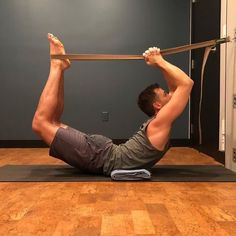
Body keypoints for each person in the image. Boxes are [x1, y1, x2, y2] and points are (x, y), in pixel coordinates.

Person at [32, 33, 194, 176]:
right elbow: (182, 85)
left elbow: (183, 85)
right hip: (99, 155)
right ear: (158, 105)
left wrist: (160, 62)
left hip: (99, 155)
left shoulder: (160, 122)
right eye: (166, 94)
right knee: (43, 123)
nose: (170, 94)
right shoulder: (159, 123)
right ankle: (57, 67)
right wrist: (159, 62)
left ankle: (59, 67)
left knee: (49, 122)